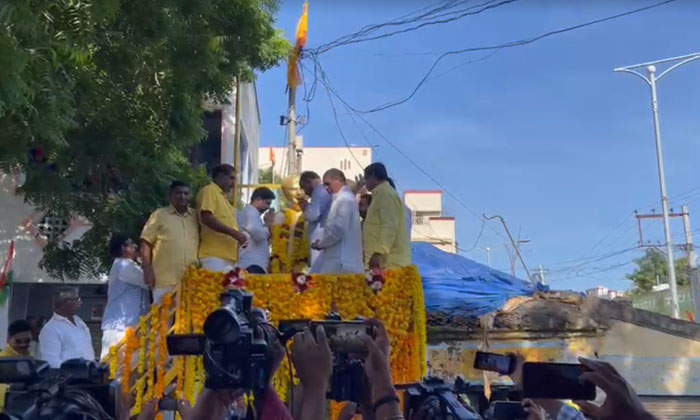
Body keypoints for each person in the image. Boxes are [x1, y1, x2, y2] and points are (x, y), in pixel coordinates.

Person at [141, 180, 200, 303]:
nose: (182, 196)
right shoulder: (159, 215)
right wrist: (147, 272)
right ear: (171, 195)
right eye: (178, 193)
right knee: (162, 321)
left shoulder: (196, 216)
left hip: (190, 282)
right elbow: (146, 243)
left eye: (186, 193)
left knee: (186, 321)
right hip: (164, 282)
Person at [100, 234, 150, 359]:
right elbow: (149, 282)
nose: (135, 246)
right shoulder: (123, 266)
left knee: (130, 371)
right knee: (117, 372)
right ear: (123, 248)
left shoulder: (130, 266)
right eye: (131, 244)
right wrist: (146, 258)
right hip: (119, 329)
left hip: (130, 327)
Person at [310, 169, 364, 274]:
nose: (326, 188)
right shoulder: (340, 198)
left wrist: (321, 244)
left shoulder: (345, 199)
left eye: (328, 184)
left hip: (342, 263)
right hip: (338, 262)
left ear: (339, 180)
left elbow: (338, 230)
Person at [197, 164, 248, 272]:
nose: (234, 183)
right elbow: (207, 218)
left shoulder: (224, 198)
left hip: (229, 257)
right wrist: (234, 233)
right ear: (220, 176)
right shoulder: (209, 190)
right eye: (231, 178)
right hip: (213, 256)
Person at [362, 163, 411, 270]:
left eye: (366, 178)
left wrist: (380, 252)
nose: (365, 183)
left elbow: (390, 225)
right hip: (379, 264)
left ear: (373, 176)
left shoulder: (386, 194)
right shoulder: (379, 195)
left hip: (388, 264)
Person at [39, 287, 95, 368]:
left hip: (87, 375)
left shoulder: (79, 322)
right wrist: (73, 371)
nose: (80, 302)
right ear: (66, 302)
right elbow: (51, 361)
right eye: (77, 299)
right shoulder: (51, 329)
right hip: (69, 377)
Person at [237, 187, 276, 274]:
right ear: (258, 199)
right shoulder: (250, 213)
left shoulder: (254, 214)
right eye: (267, 203)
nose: (268, 207)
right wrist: (268, 224)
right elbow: (259, 236)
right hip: (252, 264)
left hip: (256, 264)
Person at [299, 171, 332, 266]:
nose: (304, 191)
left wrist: (305, 207)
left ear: (309, 181)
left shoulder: (319, 190)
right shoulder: (324, 190)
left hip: (319, 238)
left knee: (318, 270)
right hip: (322, 236)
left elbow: (312, 215)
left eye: (303, 187)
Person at [0, 320, 33, 411]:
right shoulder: (3, 362)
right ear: (8, 339)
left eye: (27, 341)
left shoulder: (29, 360)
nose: (23, 345)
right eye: (18, 341)